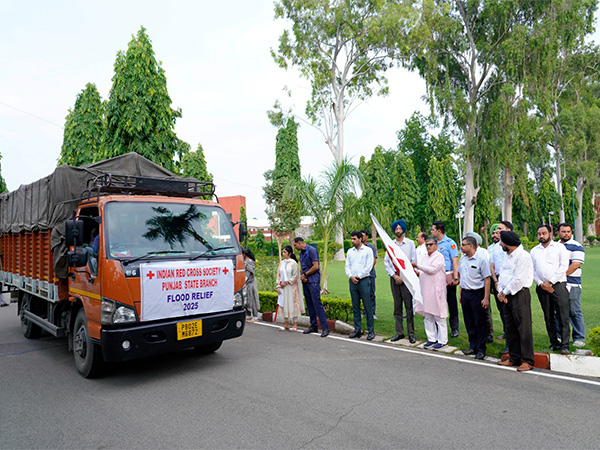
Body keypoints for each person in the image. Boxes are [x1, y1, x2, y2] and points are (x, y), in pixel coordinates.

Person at [496, 231, 535, 372]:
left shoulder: (523, 256)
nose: (500, 244)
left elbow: (519, 279)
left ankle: (527, 360)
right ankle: (514, 357)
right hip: (505, 294)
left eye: (502, 242)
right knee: (510, 327)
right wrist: (501, 291)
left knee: (523, 327)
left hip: (519, 294)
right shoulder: (506, 256)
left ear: (508, 243)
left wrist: (504, 292)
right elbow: (502, 274)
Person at [530, 224, 571, 354]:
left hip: (558, 286)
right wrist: (542, 283)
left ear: (551, 234)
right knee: (548, 317)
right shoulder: (534, 250)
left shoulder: (560, 248)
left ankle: (565, 345)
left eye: (543, 233)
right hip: (541, 287)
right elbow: (532, 270)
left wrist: (550, 282)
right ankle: (554, 343)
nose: (541, 236)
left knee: (562, 316)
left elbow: (563, 267)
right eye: (539, 234)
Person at [458, 236, 491, 360]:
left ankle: (481, 349)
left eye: (463, 244)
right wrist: (461, 294)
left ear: (471, 246)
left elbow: (487, 279)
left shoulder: (481, 260)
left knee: (480, 322)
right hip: (466, 293)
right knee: (469, 321)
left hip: (477, 293)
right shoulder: (463, 259)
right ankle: (473, 345)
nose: (461, 247)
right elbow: (462, 277)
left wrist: (486, 298)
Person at [384, 219, 417, 343]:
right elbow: (387, 262)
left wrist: (404, 276)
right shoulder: (390, 244)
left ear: (403, 229)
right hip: (395, 278)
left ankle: (411, 333)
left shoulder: (410, 244)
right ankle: (399, 332)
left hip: (407, 278)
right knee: (397, 307)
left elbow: (413, 260)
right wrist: (394, 275)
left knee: (409, 306)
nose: (398, 231)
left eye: (400, 228)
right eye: (396, 229)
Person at [412, 238, 448, 350]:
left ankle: (442, 340)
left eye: (431, 244)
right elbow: (423, 271)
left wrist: (418, 266)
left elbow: (432, 270)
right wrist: (415, 271)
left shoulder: (439, 256)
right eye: (427, 245)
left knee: (439, 315)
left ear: (436, 245)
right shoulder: (424, 257)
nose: (428, 246)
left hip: (436, 289)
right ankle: (431, 338)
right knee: (428, 315)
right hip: (425, 289)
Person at [293, 237, 330, 337]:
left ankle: (325, 328)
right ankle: (313, 325)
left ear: (300, 243)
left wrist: (305, 275)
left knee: (317, 303)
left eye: (295, 245)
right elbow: (302, 266)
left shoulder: (312, 251)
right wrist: (302, 276)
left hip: (313, 281)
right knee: (309, 304)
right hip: (306, 281)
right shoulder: (301, 253)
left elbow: (315, 266)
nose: (295, 247)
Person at [558, 223, 586, 348]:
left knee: (574, 310)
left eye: (568, 231)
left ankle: (579, 337)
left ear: (571, 232)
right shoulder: (555, 246)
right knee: (558, 310)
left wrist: (561, 276)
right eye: (563, 231)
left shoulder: (577, 246)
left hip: (572, 283)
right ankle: (559, 336)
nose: (566, 234)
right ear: (558, 232)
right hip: (558, 283)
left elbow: (575, 264)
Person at [431, 221, 460, 337]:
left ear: (439, 230)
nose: (431, 231)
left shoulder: (449, 243)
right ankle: (439, 327)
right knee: (437, 303)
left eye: (433, 229)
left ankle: (454, 328)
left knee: (451, 303)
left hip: (447, 276)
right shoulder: (432, 243)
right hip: (435, 277)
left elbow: (455, 260)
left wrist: (455, 277)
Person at [346, 231, 375, 340]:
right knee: (355, 307)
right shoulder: (350, 252)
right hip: (352, 281)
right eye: (351, 239)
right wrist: (351, 276)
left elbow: (369, 266)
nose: (352, 241)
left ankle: (371, 331)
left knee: (367, 307)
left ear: (360, 239)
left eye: (354, 239)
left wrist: (358, 276)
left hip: (363, 281)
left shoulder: (368, 251)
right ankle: (357, 330)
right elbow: (347, 266)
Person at [489, 221, 513, 354]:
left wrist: (503, 283)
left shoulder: (513, 245)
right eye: (496, 229)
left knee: (510, 312)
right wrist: (495, 281)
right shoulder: (497, 246)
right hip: (498, 281)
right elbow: (493, 265)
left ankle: (512, 344)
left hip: (509, 283)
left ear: (508, 230)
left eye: (500, 229)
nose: (497, 231)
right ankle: (507, 335)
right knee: (502, 311)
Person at [466, 230, 493, 343]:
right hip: (468, 289)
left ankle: (488, 334)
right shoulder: (464, 257)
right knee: (471, 317)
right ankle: (475, 340)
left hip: (480, 287)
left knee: (484, 313)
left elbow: (486, 274)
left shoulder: (483, 253)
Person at [276, 245, 305, 331]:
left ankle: (295, 324)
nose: (283, 253)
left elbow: (295, 276)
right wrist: (278, 285)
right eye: (283, 252)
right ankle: (286, 323)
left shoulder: (293, 263)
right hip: (283, 288)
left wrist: (287, 282)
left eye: (285, 252)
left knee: (293, 303)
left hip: (291, 287)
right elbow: (278, 275)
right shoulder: (281, 263)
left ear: (290, 253)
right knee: (284, 303)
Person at [361, 230, 378, 320]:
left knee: (371, 293)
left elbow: (373, 261)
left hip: (370, 274)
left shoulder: (372, 247)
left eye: (363, 235)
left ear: (367, 236)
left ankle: (372, 312)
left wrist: (366, 271)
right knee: (361, 294)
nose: (362, 237)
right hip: (359, 275)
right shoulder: (357, 247)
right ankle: (363, 312)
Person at [242, 248, 260, 323]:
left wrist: (244, 280)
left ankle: (255, 316)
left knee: (253, 299)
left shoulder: (250, 262)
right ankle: (249, 315)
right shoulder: (244, 261)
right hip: (246, 283)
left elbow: (248, 273)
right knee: (247, 300)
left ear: (245, 254)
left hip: (250, 283)